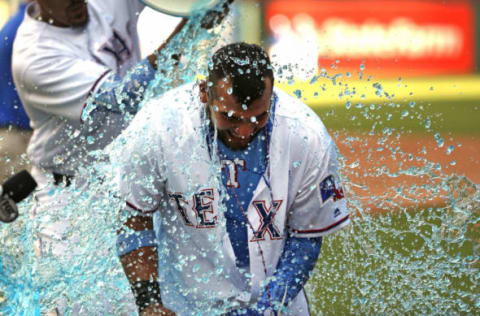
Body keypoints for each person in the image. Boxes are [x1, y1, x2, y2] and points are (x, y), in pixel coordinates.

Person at [10, 0, 231, 314]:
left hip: (129, 182)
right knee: (76, 308)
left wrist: (205, 5)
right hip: (69, 204)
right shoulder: (35, 55)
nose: (76, 2)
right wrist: (192, 26)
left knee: (159, 300)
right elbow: (123, 95)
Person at [113, 42, 350, 315]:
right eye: (230, 117)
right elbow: (133, 220)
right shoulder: (158, 128)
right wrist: (149, 303)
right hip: (185, 306)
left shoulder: (307, 136)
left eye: (258, 117)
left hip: (278, 307)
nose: (244, 130)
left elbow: (305, 239)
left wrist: (267, 309)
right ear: (204, 93)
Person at [0, 1, 33, 183]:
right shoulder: (27, 27)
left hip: (10, 133)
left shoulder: (15, 22)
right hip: (16, 136)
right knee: (20, 208)